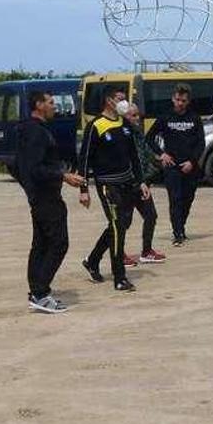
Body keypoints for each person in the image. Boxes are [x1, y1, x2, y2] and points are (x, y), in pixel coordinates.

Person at [14, 91, 86, 313]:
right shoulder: (35, 132)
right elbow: (33, 169)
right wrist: (63, 176)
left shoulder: (32, 129)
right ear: (39, 105)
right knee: (58, 243)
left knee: (42, 244)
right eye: (51, 102)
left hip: (42, 196)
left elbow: (18, 165)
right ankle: (40, 293)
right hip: (46, 198)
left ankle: (37, 290)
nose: (55, 106)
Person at [78, 90, 150, 292]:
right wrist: (84, 189)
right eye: (119, 99)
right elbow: (84, 159)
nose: (124, 103)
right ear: (108, 101)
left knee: (119, 225)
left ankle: (92, 260)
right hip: (107, 185)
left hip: (127, 182)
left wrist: (141, 181)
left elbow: (133, 156)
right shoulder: (96, 126)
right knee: (117, 226)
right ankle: (120, 277)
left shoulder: (124, 125)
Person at [145, 83, 203, 247]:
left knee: (187, 199)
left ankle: (181, 225)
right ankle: (178, 232)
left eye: (183, 100)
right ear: (173, 99)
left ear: (188, 101)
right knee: (175, 199)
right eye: (177, 100)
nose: (180, 103)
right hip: (172, 167)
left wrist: (192, 161)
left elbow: (201, 143)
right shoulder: (165, 117)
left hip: (190, 167)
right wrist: (161, 154)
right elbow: (149, 138)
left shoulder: (194, 118)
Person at [124, 103, 166, 264]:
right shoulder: (122, 135)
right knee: (123, 222)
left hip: (142, 184)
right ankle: (119, 254)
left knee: (151, 215)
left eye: (137, 116)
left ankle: (146, 251)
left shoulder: (138, 133)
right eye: (132, 115)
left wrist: (158, 158)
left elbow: (146, 152)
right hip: (128, 185)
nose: (137, 119)